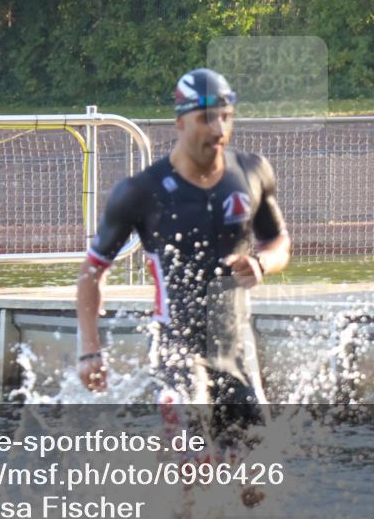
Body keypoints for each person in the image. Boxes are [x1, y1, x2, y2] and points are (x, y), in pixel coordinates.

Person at [76, 68, 291, 472]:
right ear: (180, 122)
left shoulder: (250, 173)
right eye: (206, 118)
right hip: (176, 346)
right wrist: (90, 350)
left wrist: (261, 263)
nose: (219, 129)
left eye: (226, 117)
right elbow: (92, 272)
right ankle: (176, 482)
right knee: (196, 459)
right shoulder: (141, 192)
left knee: (256, 482)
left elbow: (279, 243)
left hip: (233, 346)